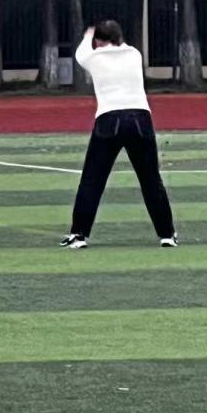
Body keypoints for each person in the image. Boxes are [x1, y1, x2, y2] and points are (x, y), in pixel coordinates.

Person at [62, 20, 176, 249]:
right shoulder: (134, 54)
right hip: (140, 119)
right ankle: (167, 234)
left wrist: (88, 35)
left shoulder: (94, 58)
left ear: (98, 41)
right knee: (151, 180)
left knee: (92, 180)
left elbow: (80, 55)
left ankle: (79, 235)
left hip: (109, 118)